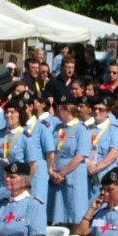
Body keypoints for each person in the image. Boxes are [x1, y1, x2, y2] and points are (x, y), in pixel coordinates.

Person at [48, 97, 92, 228]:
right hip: (57, 177)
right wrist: (52, 171)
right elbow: (51, 151)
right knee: (60, 213)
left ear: (67, 111)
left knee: (74, 211)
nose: (56, 113)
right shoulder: (57, 128)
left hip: (73, 175)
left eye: (59, 110)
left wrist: (62, 173)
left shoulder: (81, 129)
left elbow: (80, 156)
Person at [85, 95, 118, 188]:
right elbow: (80, 149)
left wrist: (97, 167)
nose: (96, 111)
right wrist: (88, 163)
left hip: (107, 173)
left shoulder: (113, 129)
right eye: (95, 109)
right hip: (88, 171)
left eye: (101, 109)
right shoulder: (87, 128)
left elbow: (114, 152)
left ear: (108, 113)